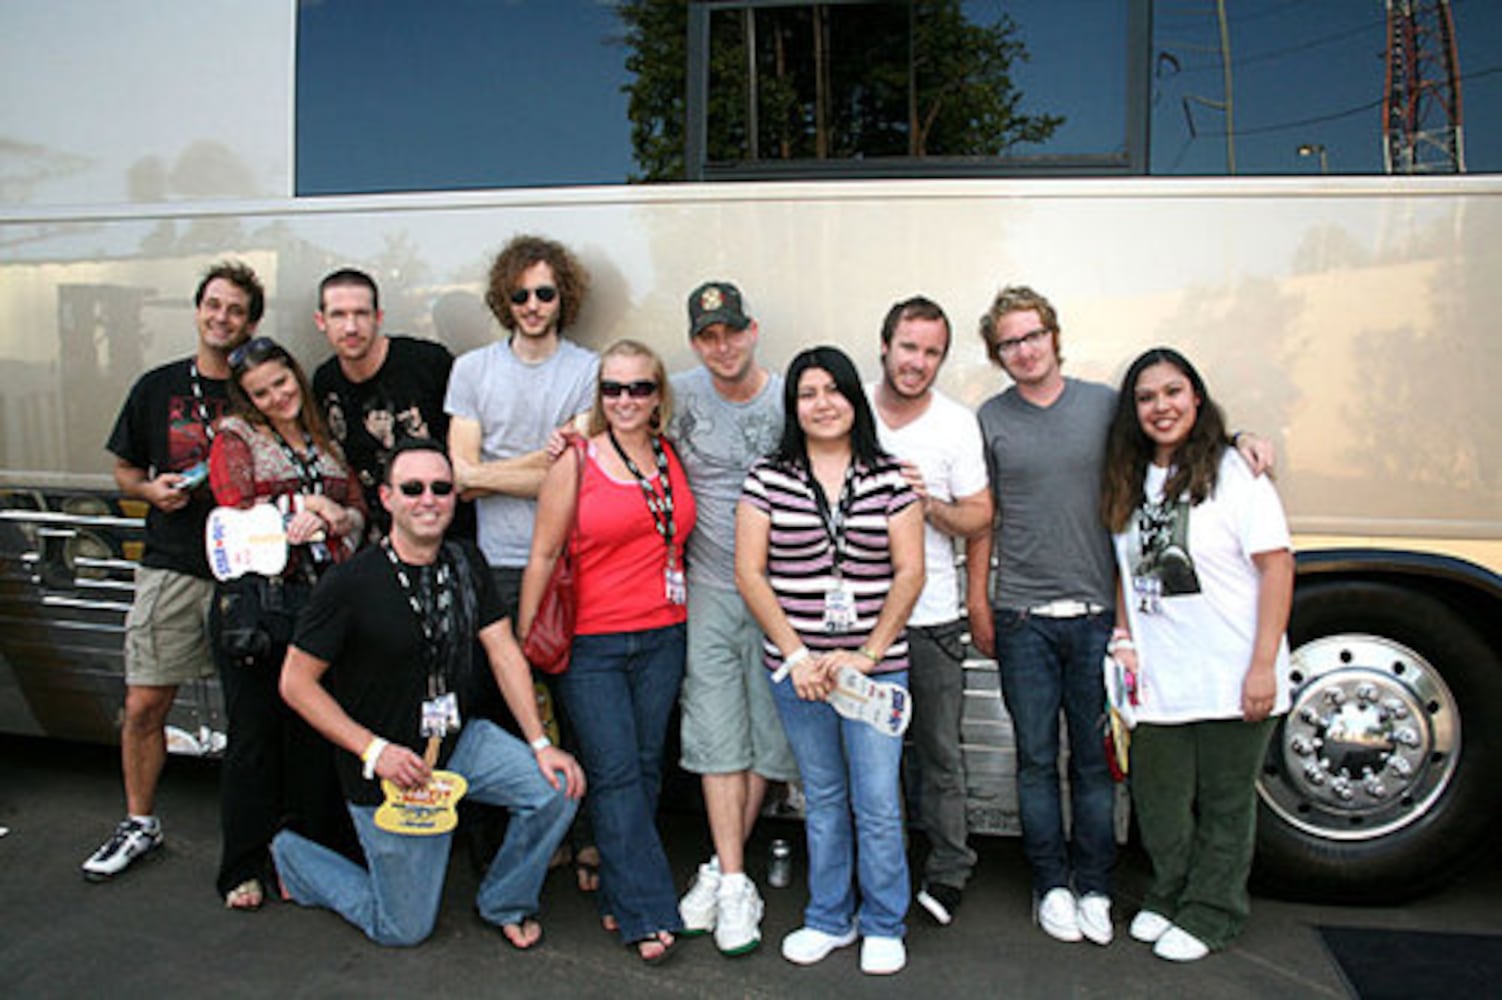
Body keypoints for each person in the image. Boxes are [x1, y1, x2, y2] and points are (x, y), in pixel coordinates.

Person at [967, 286, 1274, 947]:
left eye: (1033, 335)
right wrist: (979, 601)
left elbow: (1173, 430)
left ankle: (1096, 886)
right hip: (1021, 617)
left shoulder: (1106, 406)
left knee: (1094, 762)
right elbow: (983, 517)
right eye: (1009, 343)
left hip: (1098, 620)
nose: (1024, 350)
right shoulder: (989, 419)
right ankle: (1051, 884)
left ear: (1054, 336)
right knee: (1035, 760)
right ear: (997, 354)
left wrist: (1240, 438)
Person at [272, 438, 585, 948]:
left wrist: (540, 743)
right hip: (391, 773)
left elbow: (504, 651)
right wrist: (376, 751)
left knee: (557, 788)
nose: (428, 500)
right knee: (402, 929)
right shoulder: (350, 584)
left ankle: (506, 901)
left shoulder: (466, 561)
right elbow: (295, 683)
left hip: (458, 744)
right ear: (387, 497)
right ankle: (293, 856)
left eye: (441, 488)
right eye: (413, 488)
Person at [1100, 348, 1293, 962]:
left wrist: (1262, 665)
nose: (1161, 406)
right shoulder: (1130, 477)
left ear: (1197, 399)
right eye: (1146, 397)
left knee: (1225, 802)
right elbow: (1128, 570)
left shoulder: (1235, 472)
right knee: (1159, 801)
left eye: (1173, 392)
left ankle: (1213, 912)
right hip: (1159, 676)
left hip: (1232, 670)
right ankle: (1170, 894)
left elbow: (1277, 567)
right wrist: (1124, 637)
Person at [736, 345, 924, 976]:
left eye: (834, 390)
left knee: (877, 799)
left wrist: (865, 655)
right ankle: (828, 917)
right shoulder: (768, 477)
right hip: (801, 672)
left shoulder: (890, 476)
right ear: (793, 407)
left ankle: (884, 921)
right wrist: (799, 656)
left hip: (874, 669)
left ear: (854, 397)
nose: (822, 404)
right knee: (821, 795)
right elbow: (749, 573)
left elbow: (910, 572)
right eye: (807, 393)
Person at [82, 262, 263, 882]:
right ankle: (140, 823)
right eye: (213, 305)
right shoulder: (157, 386)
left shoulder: (259, 389)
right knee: (144, 703)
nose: (222, 318)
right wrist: (148, 491)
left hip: (247, 569)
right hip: (174, 564)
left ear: (250, 322)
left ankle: (264, 832)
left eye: (235, 309)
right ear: (197, 310)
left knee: (256, 712)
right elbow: (124, 470)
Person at [518, 340, 696, 964]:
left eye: (639, 388)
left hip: (664, 634)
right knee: (616, 770)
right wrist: (524, 640)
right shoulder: (576, 459)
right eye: (613, 388)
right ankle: (648, 909)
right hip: (593, 643)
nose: (625, 400)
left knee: (645, 767)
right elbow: (543, 553)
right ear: (600, 395)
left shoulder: (670, 455)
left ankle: (621, 887)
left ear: (658, 395)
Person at [445, 234, 600, 888]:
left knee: (580, 710)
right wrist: (541, 466)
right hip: (494, 566)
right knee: (503, 714)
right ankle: (518, 850)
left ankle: (586, 839)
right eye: (519, 295)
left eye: (544, 293)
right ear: (502, 300)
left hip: (570, 564)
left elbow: (577, 477)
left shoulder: (589, 369)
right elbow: (455, 477)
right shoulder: (472, 370)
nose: (533, 305)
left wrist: (484, 474)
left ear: (563, 296)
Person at [208, 336, 366, 909]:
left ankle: (301, 862)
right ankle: (241, 865)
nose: (278, 397)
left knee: (312, 741)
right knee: (253, 738)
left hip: (321, 607)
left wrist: (334, 515)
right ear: (246, 399)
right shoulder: (235, 437)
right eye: (262, 392)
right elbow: (232, 511)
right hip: (259, 609)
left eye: (281, 381)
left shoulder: (323, 438)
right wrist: (308, 508)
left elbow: (358, 511)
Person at [669, 281, 798, 957]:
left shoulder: (791, 398)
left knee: (768, 742)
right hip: (711, 588)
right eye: (708, 336)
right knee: (717, 735)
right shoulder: (676, 395)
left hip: (784, 594)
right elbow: (613, 423)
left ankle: (722, 874)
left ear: (752, 331)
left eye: (731, 332)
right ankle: (736, 881)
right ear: (696, 343)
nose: (721, 347)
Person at [866, 296, 992, 926]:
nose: (917, 362)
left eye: (931, 352)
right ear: (884, 346)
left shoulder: (956, 424)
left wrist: (930, 504)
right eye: (908, 347)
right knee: (871, 762)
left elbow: (981, 515)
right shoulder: (848, 407)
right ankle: (879, 870)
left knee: (940, 755)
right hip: (859, 623)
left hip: (932, 619)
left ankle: (948, 869)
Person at [311, 267, 467, 542]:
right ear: (321, 321)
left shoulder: (427, 363)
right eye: (338, 315)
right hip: (376, 540)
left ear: (378, 317)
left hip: (448, 532)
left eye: (361, 313)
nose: (351, 327)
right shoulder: (325, 381)